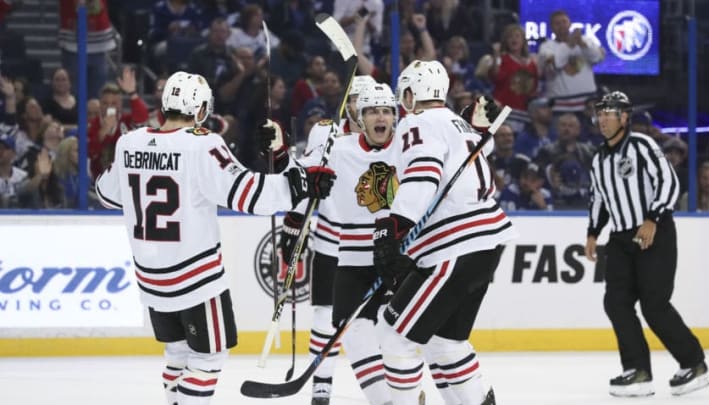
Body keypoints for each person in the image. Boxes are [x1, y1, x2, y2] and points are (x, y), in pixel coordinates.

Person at [94, 71, 336, 405]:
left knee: (177, 353)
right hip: (195, 278)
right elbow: (253, 196)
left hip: (150, 279)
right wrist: (301, 182)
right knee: (208, 359)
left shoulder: (129, 143)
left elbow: (106, 194)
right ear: (200, 108)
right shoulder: (202, 144)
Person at [372, 60, 516, 405]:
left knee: (393, 335)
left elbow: (423, 172)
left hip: (455, 245)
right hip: (484, 242)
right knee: (444, 341)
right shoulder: (460, 124)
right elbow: (474, 155)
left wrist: (393, 227)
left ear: (410, 93)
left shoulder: (417, 123)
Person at [584, 91, 709, 397]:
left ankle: (694, 363)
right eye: (600, 113)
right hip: (620, 238)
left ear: (625, 117)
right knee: (615, 302)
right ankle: (637, 371)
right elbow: (599, 199)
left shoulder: (642, 145)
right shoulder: (598, 158)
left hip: (654, 232)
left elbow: (668, 182)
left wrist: (652, 219)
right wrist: (592, 233)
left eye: (609, 113)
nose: (603, 119)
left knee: (654, 305)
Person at [263, 74, 377, 405]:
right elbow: (305, 176)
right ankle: (321, 385)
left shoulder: (390, 138)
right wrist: (294, 220)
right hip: (332, 240)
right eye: (355, 100)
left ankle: (396, 386)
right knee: (325, 315)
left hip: (376, 245)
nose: (361, 108)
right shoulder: (326, 132)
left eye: (368, 103)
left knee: (377, 324)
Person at [537, 10, 604, 115]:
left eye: (564, 22)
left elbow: (597, 58)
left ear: (570, 24)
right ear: (552, 27)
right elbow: (555, 63)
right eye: (557, 23)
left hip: (587, 105)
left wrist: (582, 44)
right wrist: (569, 45)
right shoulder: (546, 46)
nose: (561, 26)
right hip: (559, 107)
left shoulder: (586, 40)